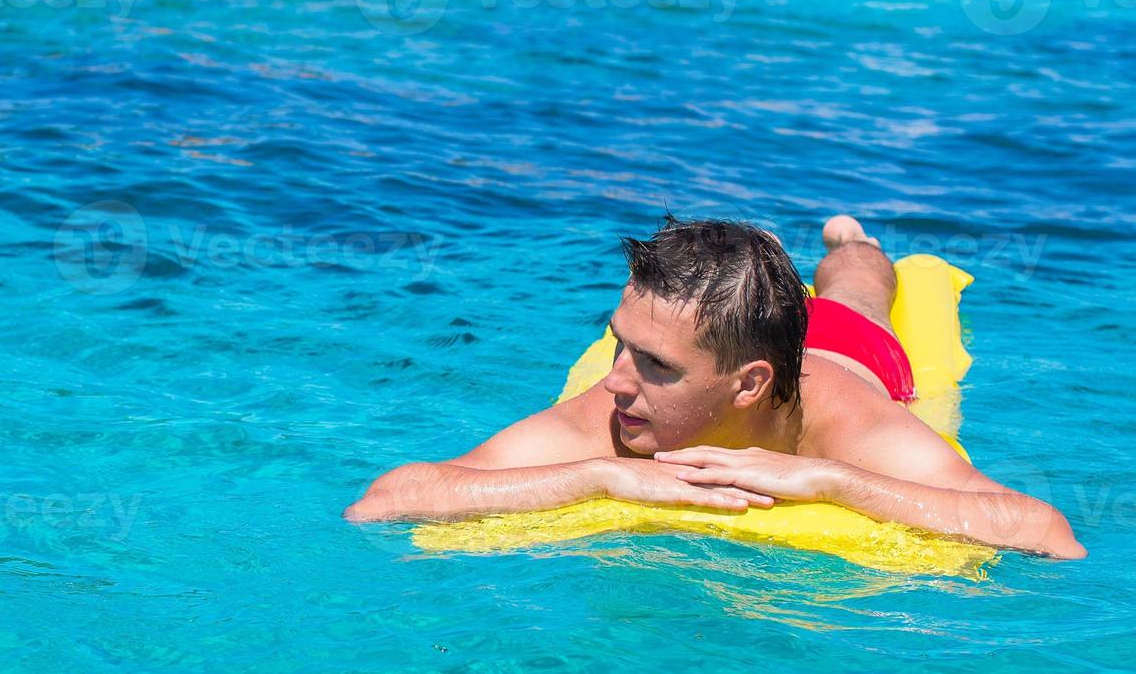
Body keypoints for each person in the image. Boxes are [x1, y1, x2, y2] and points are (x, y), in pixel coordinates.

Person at [344, 215, 1085, 559]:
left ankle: (848, 243)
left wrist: (833, 481)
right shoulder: (601, 419)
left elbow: (1045, 533)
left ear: (749, 385)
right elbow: (382, 502)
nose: (616, 381)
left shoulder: (857, 434)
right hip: (745, 361)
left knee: (855, 292)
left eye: (654, 366)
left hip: (850, 359)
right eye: (619, 344)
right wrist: (603, 477)